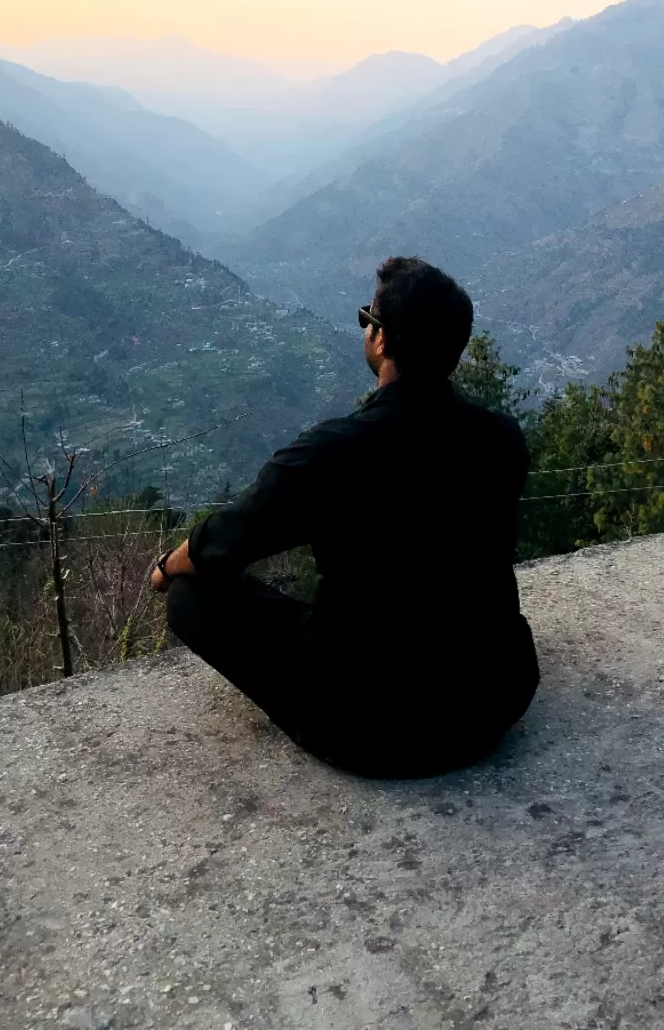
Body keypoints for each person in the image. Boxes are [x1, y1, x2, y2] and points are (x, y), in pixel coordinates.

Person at [150, 255, 539, 778]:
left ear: (380, 339)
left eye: (366, 319)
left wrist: (165, 565)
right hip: (492, 699)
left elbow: (222, 544)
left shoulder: (330, 453)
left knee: (189, 596)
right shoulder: (501, 437)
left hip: (368, 727)